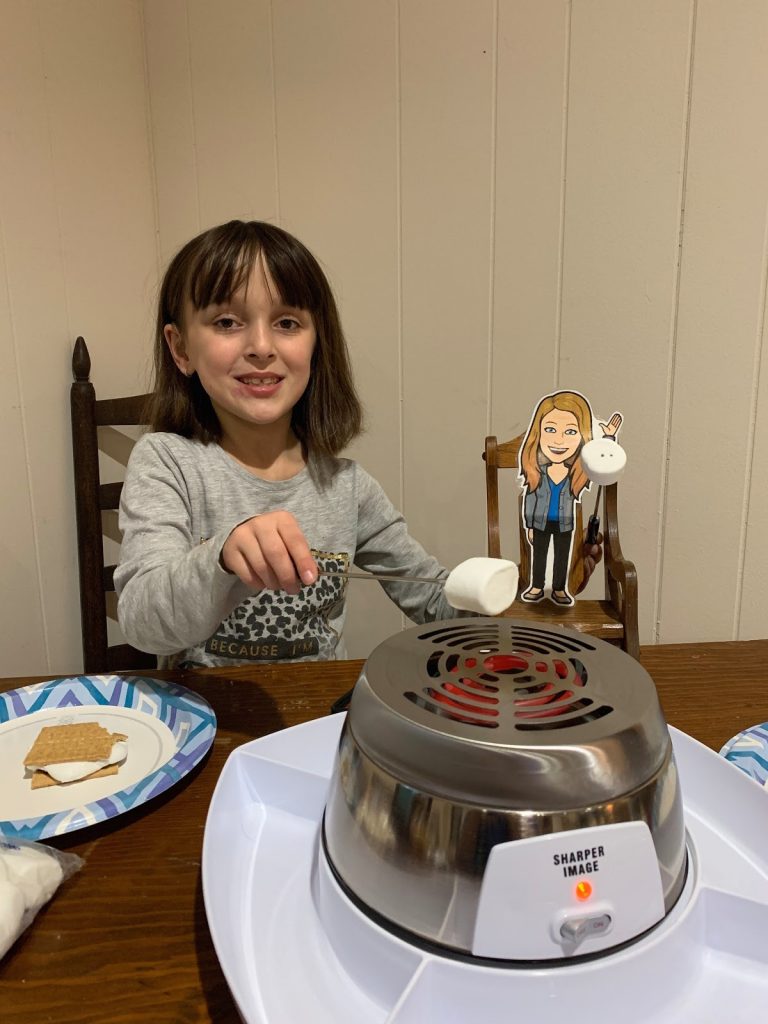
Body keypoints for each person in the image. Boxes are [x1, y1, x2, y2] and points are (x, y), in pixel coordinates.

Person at [114, 220, 464, 668]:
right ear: (181, 349)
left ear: (317, 345)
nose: (261, 346)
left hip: (318, 724)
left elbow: (435, 599)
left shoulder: (349, 489)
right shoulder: (167, 463)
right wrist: (222, 557)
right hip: (206, 723)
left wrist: (538, 590)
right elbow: (145, 625)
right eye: (227, 321)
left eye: (286, 322)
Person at [518, 391, 615, 606]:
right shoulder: (538, 474)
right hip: (541, 522)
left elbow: (605, 457)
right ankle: (537, 585)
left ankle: (560, 588)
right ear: (538, 434)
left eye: (571, 431)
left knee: (562, 556)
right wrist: (530, 526)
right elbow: (531, 500)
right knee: (540, 556)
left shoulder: (575, 476)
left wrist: (607, 439)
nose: (559, 440)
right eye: (550, 430)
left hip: (564, 523)